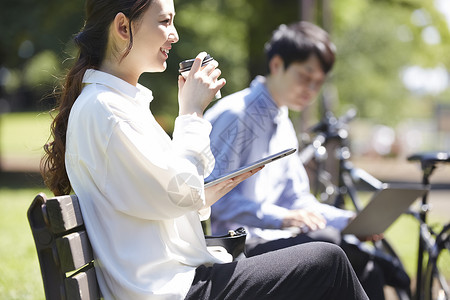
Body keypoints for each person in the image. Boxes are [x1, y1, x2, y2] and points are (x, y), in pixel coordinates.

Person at [40, 1, 368, 299]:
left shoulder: (117, 104)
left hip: (178, 279)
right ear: (124, 27)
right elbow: (176, 195)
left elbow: (157, 197)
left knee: (327, 258)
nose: (174, 35)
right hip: (173, 289)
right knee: (329, 261)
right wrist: (192, 113)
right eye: (165, 22)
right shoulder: (107, 110)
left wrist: (212, 191)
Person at [205, 21, 409, 300]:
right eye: (305, 76)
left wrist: (347, 221)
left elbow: (297, 200)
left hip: (273, 240)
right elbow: (212, 201)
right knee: (331, 247)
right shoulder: (237, 115)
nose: (311, 89)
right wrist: (284, 218)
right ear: (277, 65)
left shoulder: (283, 121)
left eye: (318, 82)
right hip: (235, 249)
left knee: (366, 261)